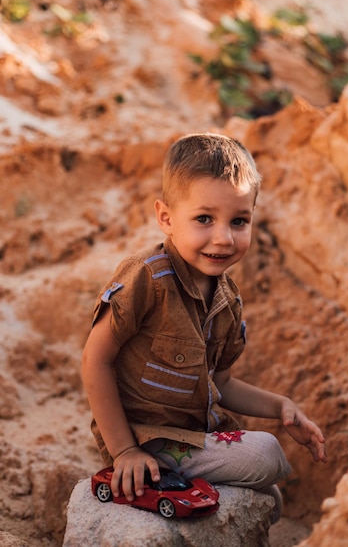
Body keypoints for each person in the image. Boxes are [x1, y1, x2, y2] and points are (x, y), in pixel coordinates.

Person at [82, 133, 327, 522]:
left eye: (239, 221)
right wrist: (124, 451)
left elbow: (222, 384)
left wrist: (280, 406)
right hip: (148, 436)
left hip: (196, 434)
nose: (223, 238)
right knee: (265, 455)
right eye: (204, 219)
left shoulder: (228, 299)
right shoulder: (148, 277)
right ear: (166, 217)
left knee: (273, 497)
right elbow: (95, 361)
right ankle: (158, 470)